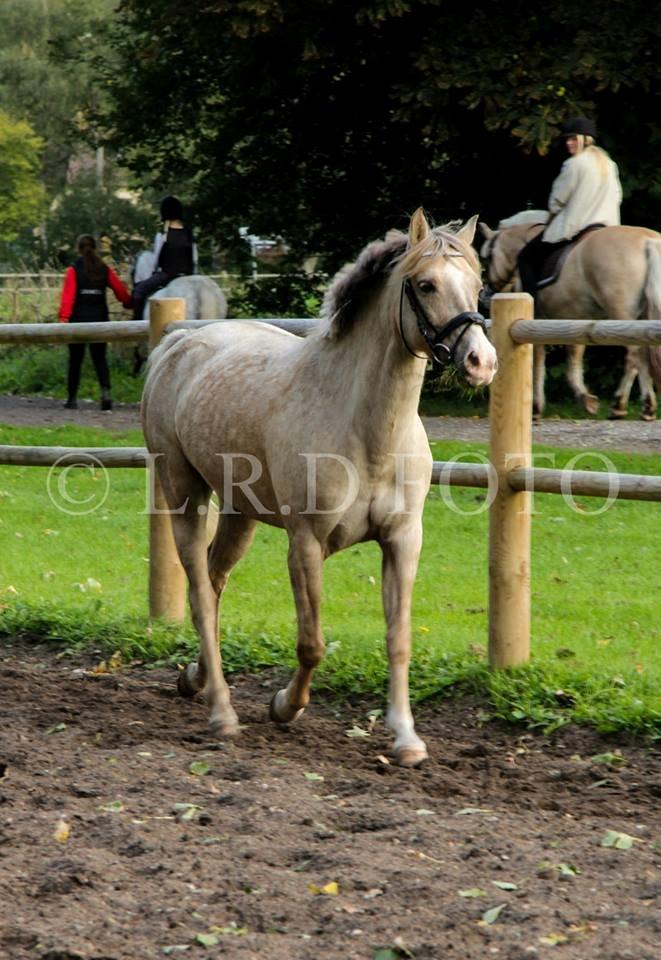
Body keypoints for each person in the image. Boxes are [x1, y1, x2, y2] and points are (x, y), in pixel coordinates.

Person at [517, 116, 622, 296]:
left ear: (585, 140)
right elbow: (618, 196)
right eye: (567, 139)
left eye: (574, 139)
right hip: (607, 227)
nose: (569, 143)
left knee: (525, 257)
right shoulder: (610, 164)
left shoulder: (574, 164)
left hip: (577, 228)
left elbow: (557, 201)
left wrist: (551, 218)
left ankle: (531, 309)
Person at [58, 234, 133, 410]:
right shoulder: (104, 269)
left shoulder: (73, 270)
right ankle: (106, 393)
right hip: (100, 320)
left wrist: (63, 319)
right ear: (95, 248)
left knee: (75, 360)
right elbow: (120, 291)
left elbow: (67, 299)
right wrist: (129, 302)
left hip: (78, 322)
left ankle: (72, 398)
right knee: (100, 359)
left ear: (78, 249)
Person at [131, 195, 198, 322]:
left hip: (167, 274)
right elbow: (194, 259)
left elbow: (156, 261)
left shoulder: (162, 235)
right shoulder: (189, 234)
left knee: (139, 291)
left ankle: (138, 326)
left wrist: (153, 273)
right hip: (188, 276)